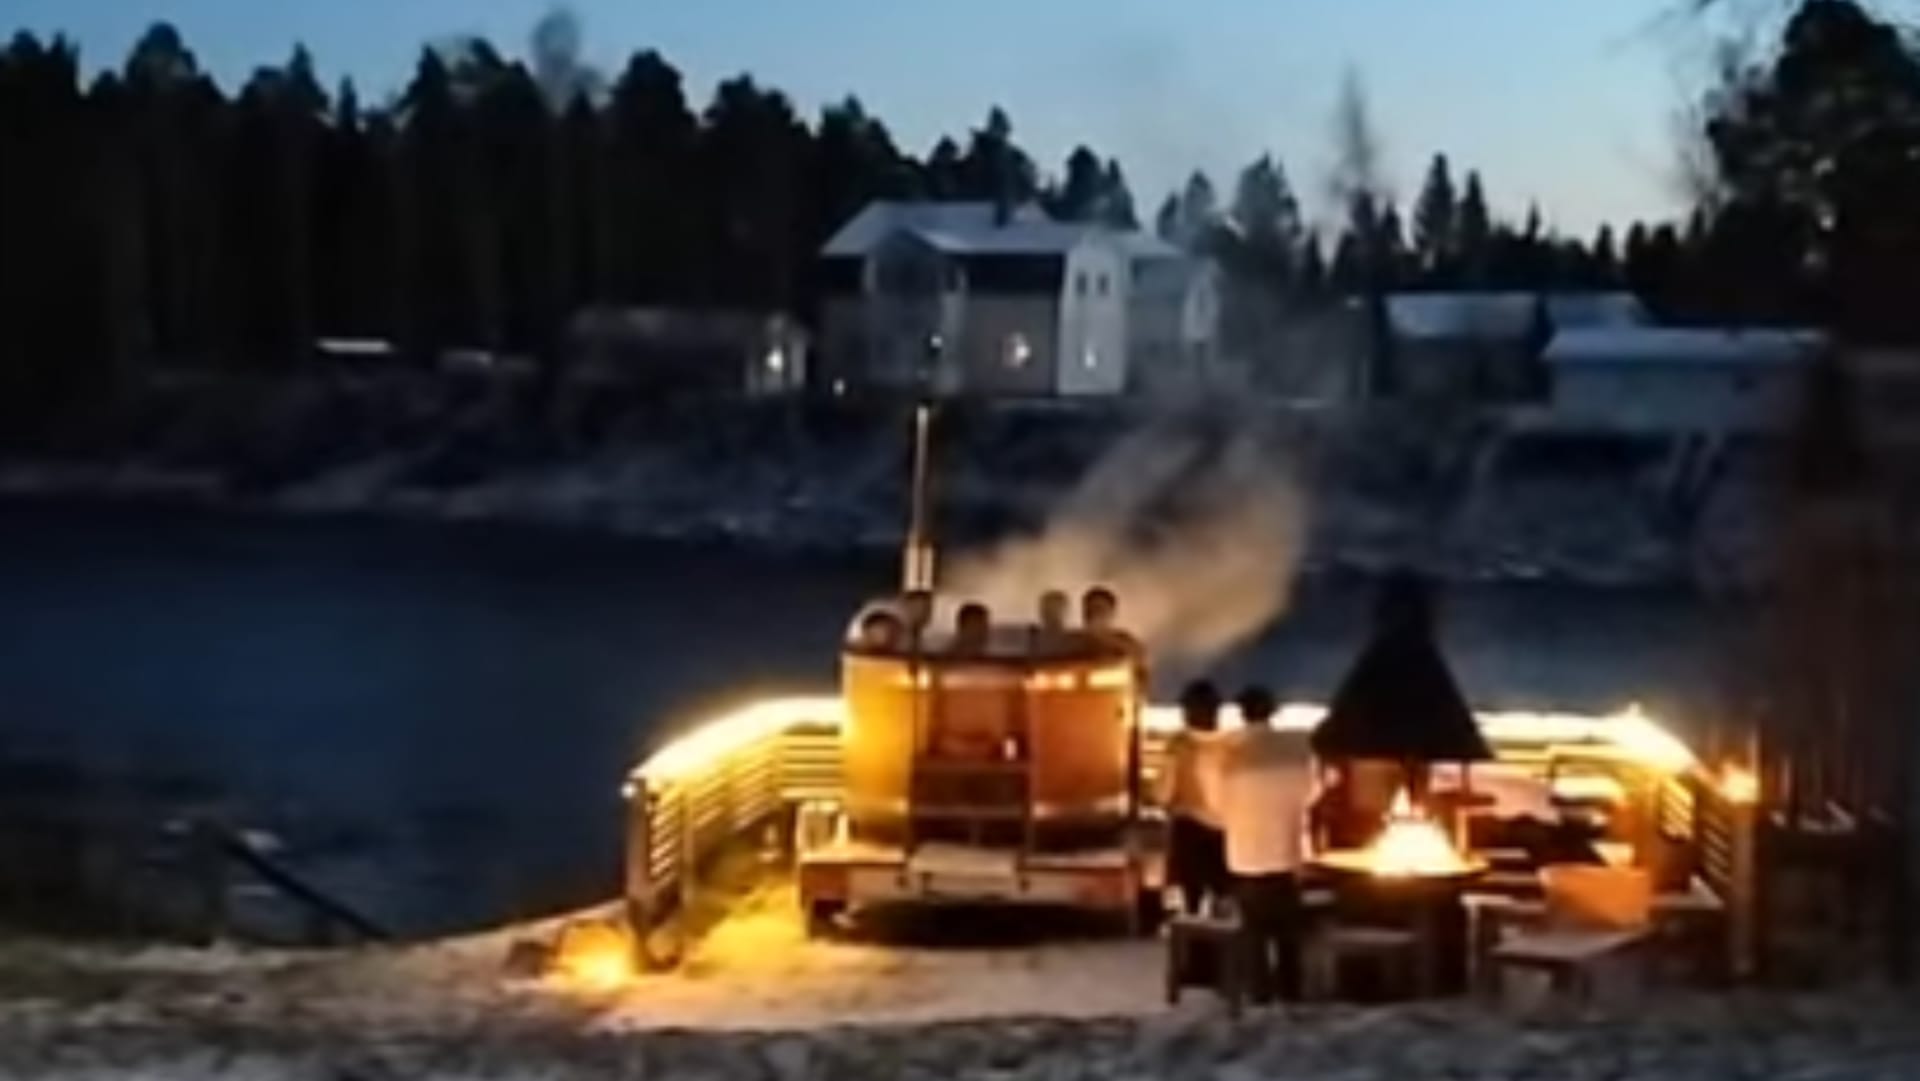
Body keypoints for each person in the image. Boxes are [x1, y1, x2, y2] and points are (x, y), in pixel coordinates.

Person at [1219, 684, 1314, 1004]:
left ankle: (1259, 998)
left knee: (1254, 937)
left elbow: (1217, 806)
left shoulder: (1229, 752)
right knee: (1289, 938)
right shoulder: (1295, 748)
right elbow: (1312, 794)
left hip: (1245, 859)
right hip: (1286, 857)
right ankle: (1292, 997)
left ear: (1241, 712)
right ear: (1274, 710)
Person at [1157, 680, 1227, 916]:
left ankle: (1194, 945)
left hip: (1189, 830)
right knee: (1223, 893)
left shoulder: (1179, 745)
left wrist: (1163, 802)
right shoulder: (1231, 746)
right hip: (1226, 831)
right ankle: (1222, 942)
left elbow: (1164, 790)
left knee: (1192, 897)